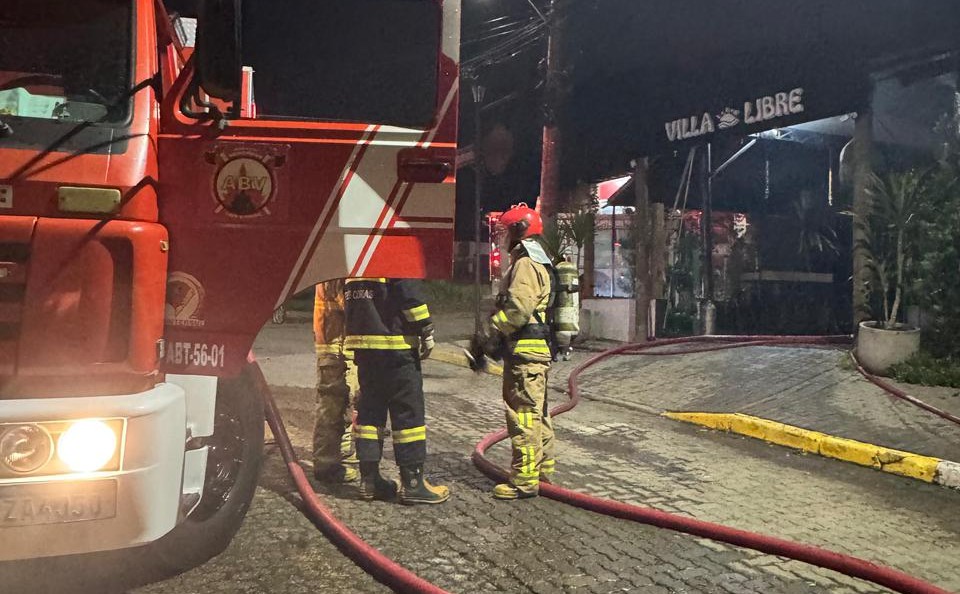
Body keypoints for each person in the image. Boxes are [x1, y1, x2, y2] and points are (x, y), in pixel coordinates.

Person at [344, 278, 449, 504]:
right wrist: (426, 328)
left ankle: (369, 481)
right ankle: (413, 484)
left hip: (365, 346)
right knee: (408, 412)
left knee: (370, 412)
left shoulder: (356, 254)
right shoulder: (392, 249)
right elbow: (407, 291)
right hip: (396, 344)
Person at [484, 204, 556, 499]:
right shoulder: (539, 260)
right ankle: (543, 471)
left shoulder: (525, 264)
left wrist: (493, 331)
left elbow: (518, 309)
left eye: (504, 231)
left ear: (517, 231)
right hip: (535, 353)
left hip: (525, 355)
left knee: (523, 415)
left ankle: (524, 480)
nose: (502, 238)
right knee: (538, 415)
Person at [312, 279, 359, 484]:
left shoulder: (331, 267)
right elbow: (352, 306)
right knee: (332, 406)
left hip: (334, 346)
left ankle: (337, 455)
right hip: (336, 347)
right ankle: (326, 466)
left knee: (339, 404)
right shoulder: (337, 273)